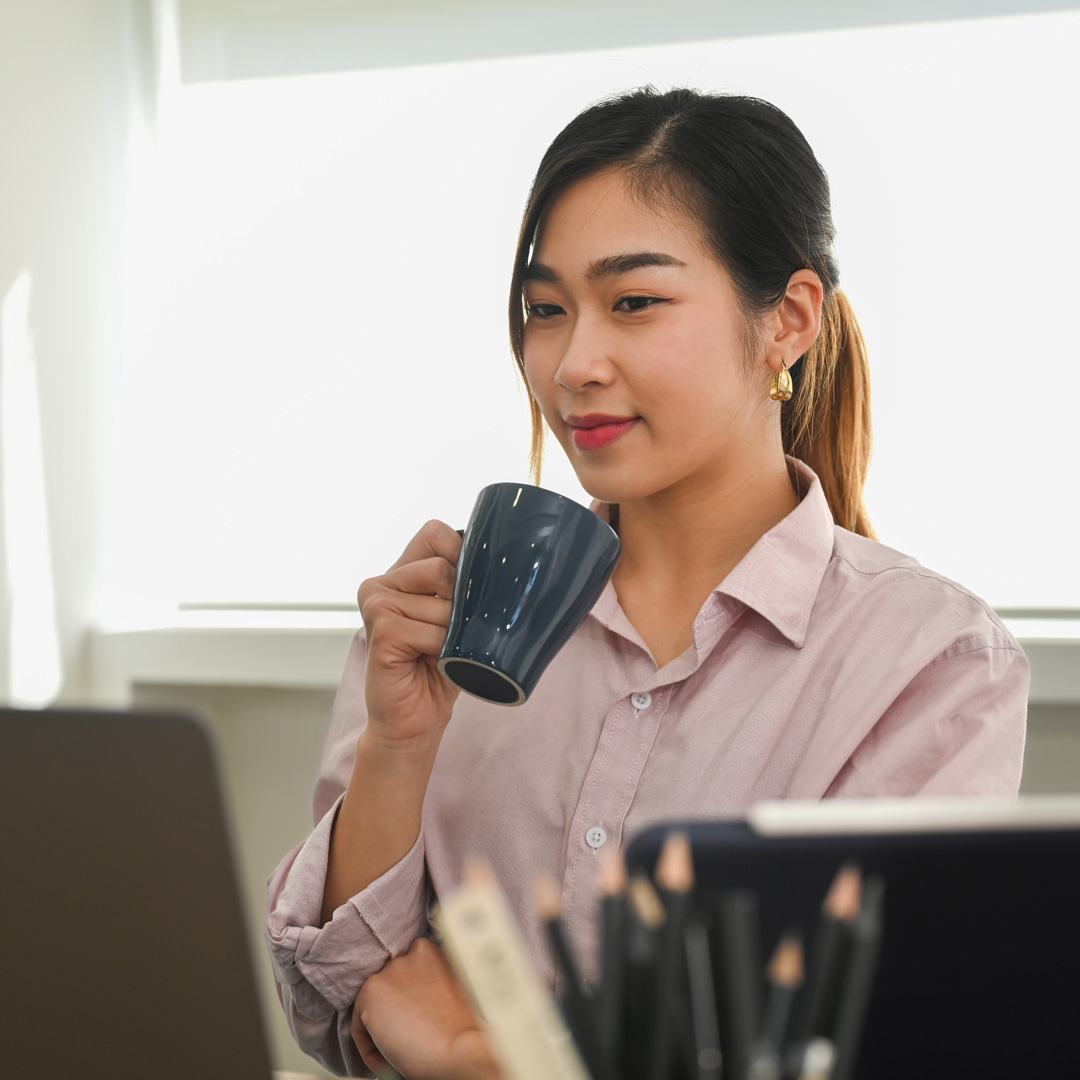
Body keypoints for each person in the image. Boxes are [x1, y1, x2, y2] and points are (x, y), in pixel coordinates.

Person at [265, 87, 1027, 1078]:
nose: (574, 362)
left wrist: (478, 1056)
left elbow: (863, 1050)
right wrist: (402, 745)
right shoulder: (443, 628)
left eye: (635, 302)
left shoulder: (929, 664)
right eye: (546, 311)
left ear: (788, 320)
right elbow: (337, 1016)